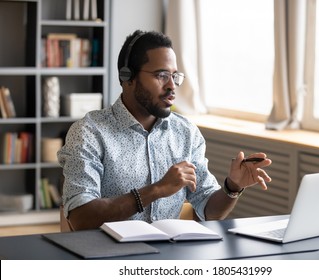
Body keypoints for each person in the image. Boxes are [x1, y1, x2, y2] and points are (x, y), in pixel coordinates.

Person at [57, 30, 272, 230]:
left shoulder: (186, 133)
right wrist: (157, 190)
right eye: (161, 75)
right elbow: (80, 218)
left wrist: (232, 187)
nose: (172, 86)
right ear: (127, 77)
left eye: (175, 76)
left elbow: (209, 210)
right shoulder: (89, 133)